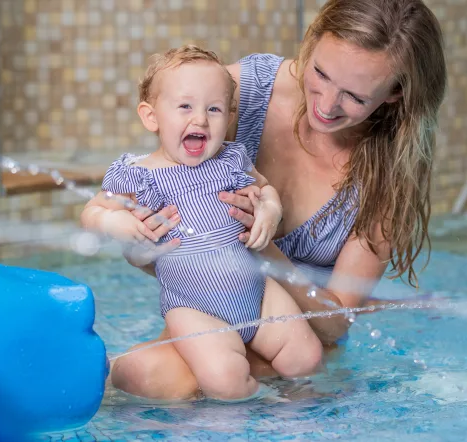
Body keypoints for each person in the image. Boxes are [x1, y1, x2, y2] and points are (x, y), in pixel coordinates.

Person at [83, 0, 447, 400]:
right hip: (209, 304)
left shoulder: (388, 174)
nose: (325, 105)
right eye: (320, 73)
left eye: (355, 98)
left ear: (394, 95)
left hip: (295, 335)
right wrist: (141, 248)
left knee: (223, 378)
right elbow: (141, 201)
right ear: (311, 42)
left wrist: (265, 246)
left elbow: (336, 320)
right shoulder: (241, 93)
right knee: (160, 377)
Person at [82, 45, 323, 401]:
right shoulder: (137, 174)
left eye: (214, 109)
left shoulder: (231, 159)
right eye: (185, 107)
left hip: (257, 293)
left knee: (307, 357)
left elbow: (265, 189)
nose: (200, 119)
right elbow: (92, 212)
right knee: (224, 381)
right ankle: (266, 402)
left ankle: (300, 407)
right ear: (151, 117)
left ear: (229, 115)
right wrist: (117, 223)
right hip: (194, 307)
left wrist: (270, 211)